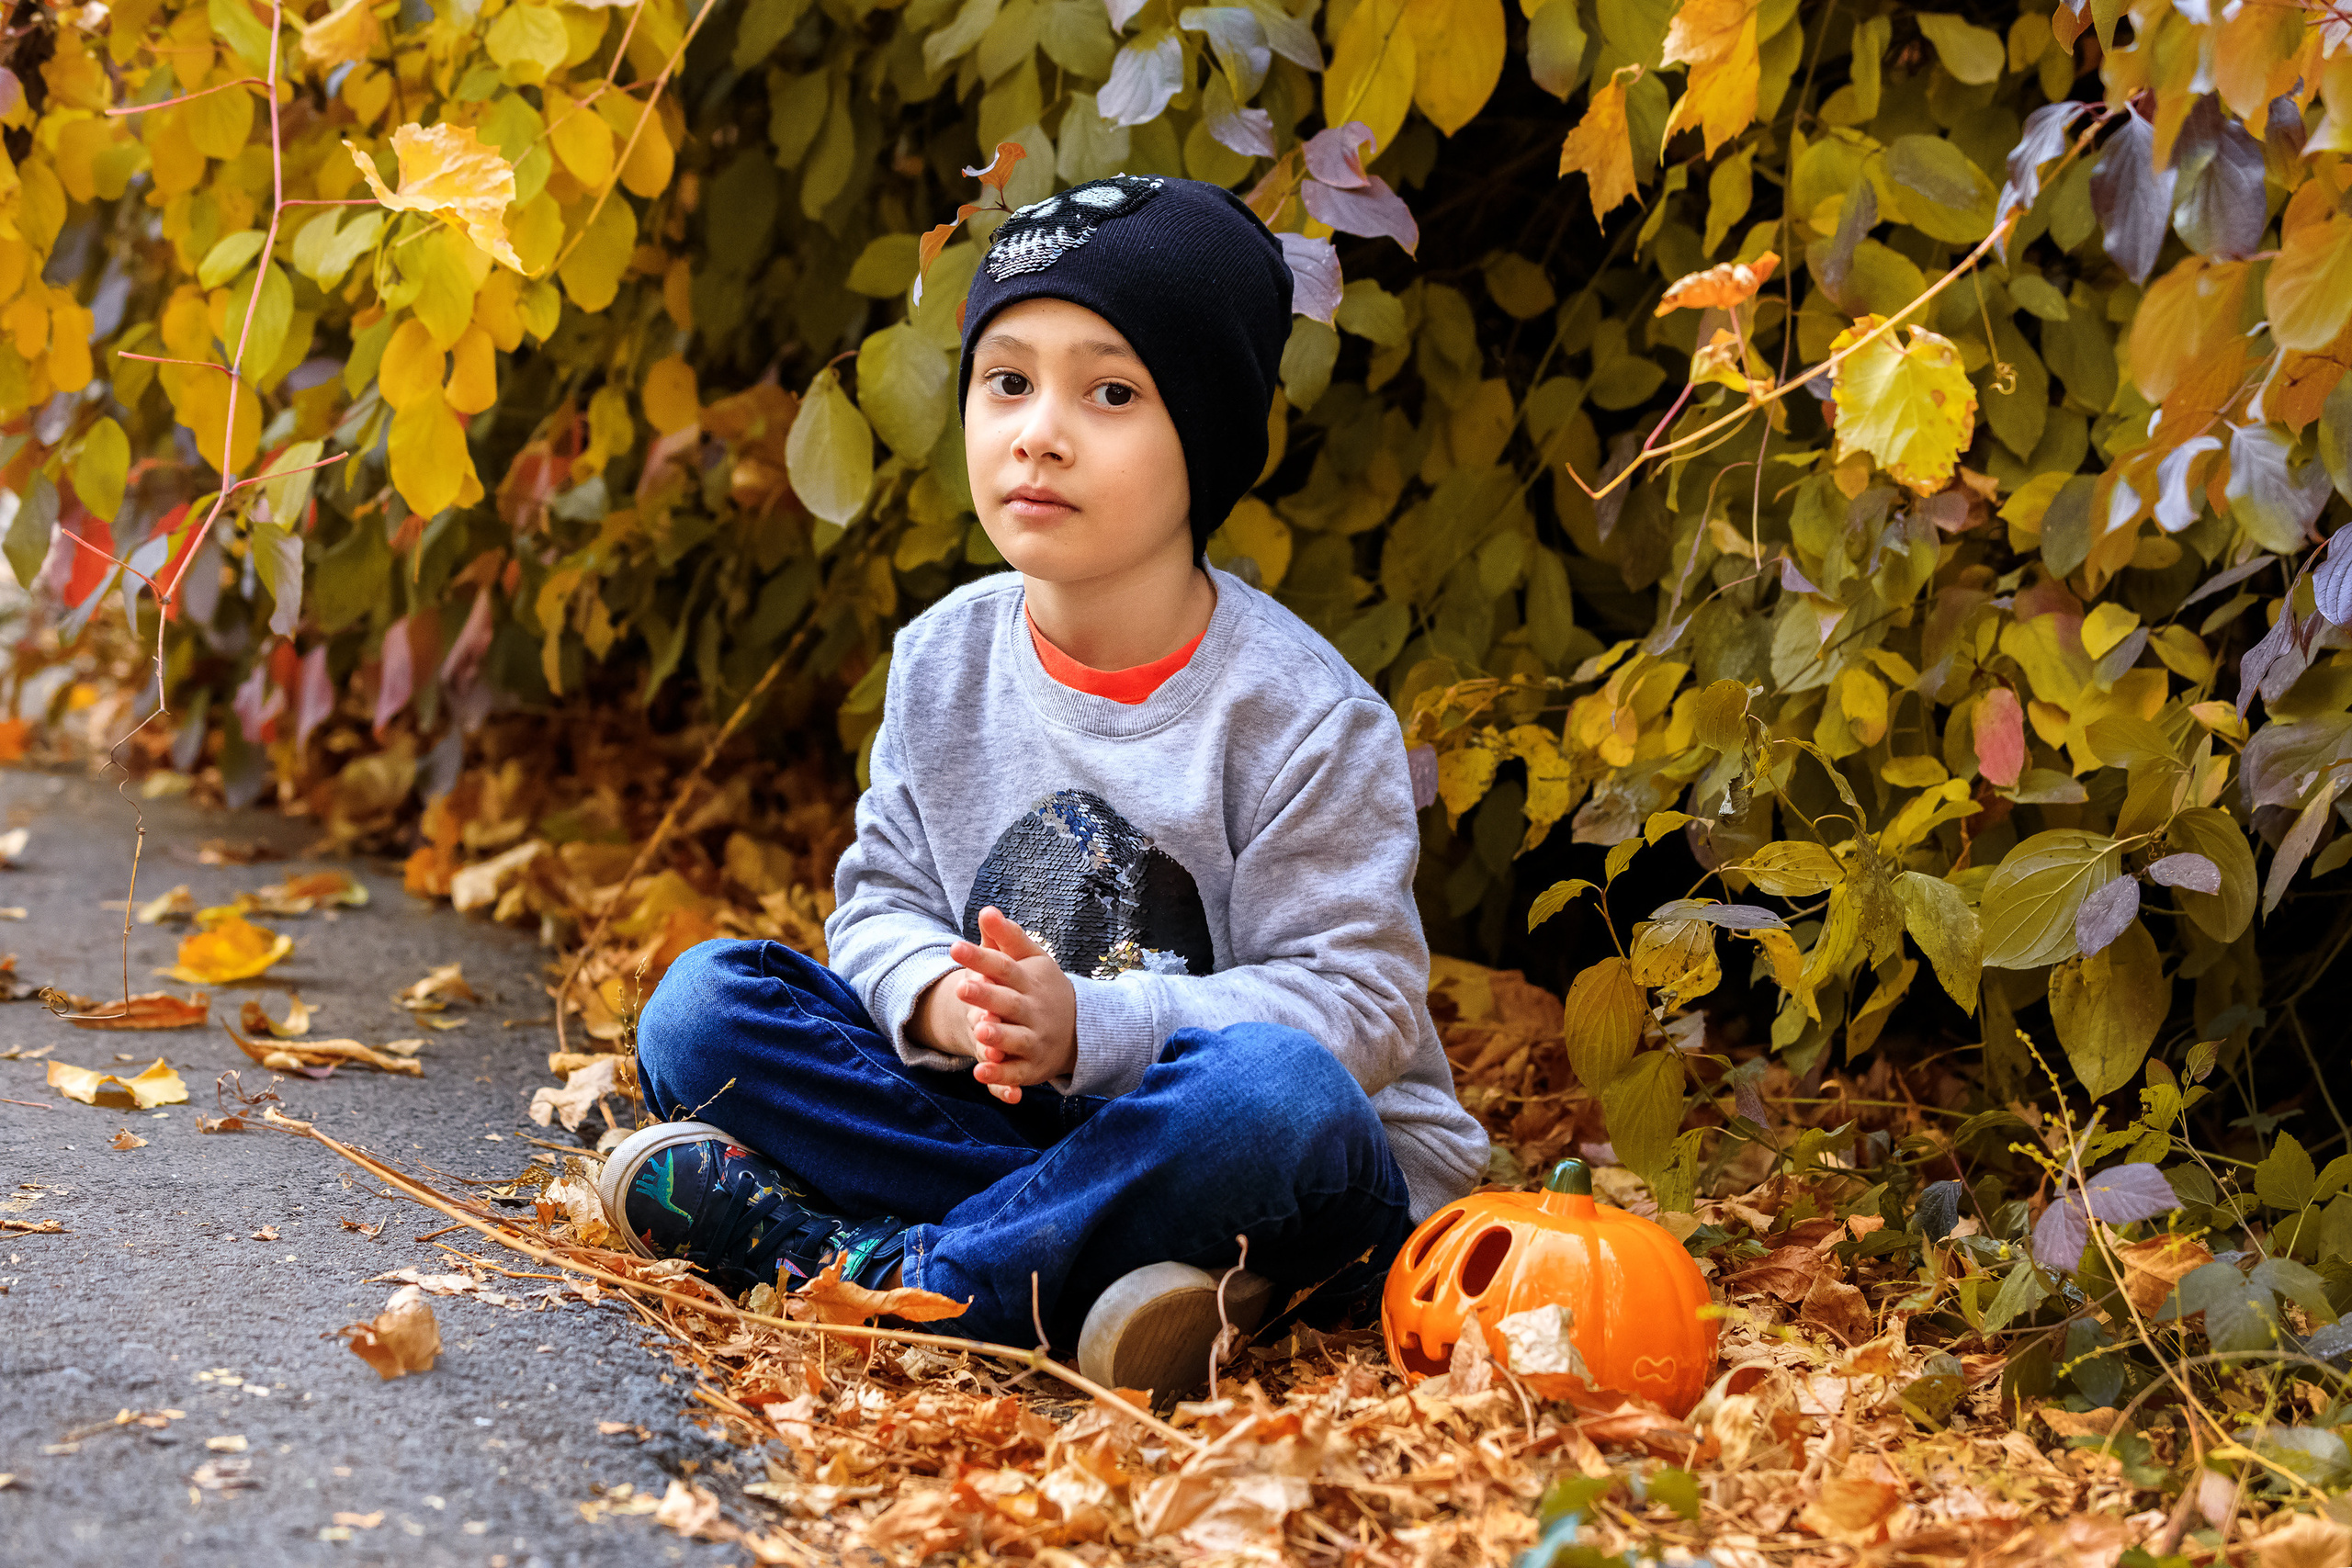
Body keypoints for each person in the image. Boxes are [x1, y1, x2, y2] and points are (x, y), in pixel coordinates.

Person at [597, 175, 1487, 1394]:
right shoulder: (945, 659)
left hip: (1262, 1168)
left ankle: (887, 1272)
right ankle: (1083, 1275)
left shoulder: (1304, 716)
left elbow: (1363, 1012)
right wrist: (943, 1008)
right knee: (705, 1007)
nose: (1040, 431)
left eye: (1111, 392)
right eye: (1007, 381)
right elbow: (878, 910)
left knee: (1274, 1101)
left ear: (1209, 434)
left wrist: (1090, 1024)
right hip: (1017, 1129)